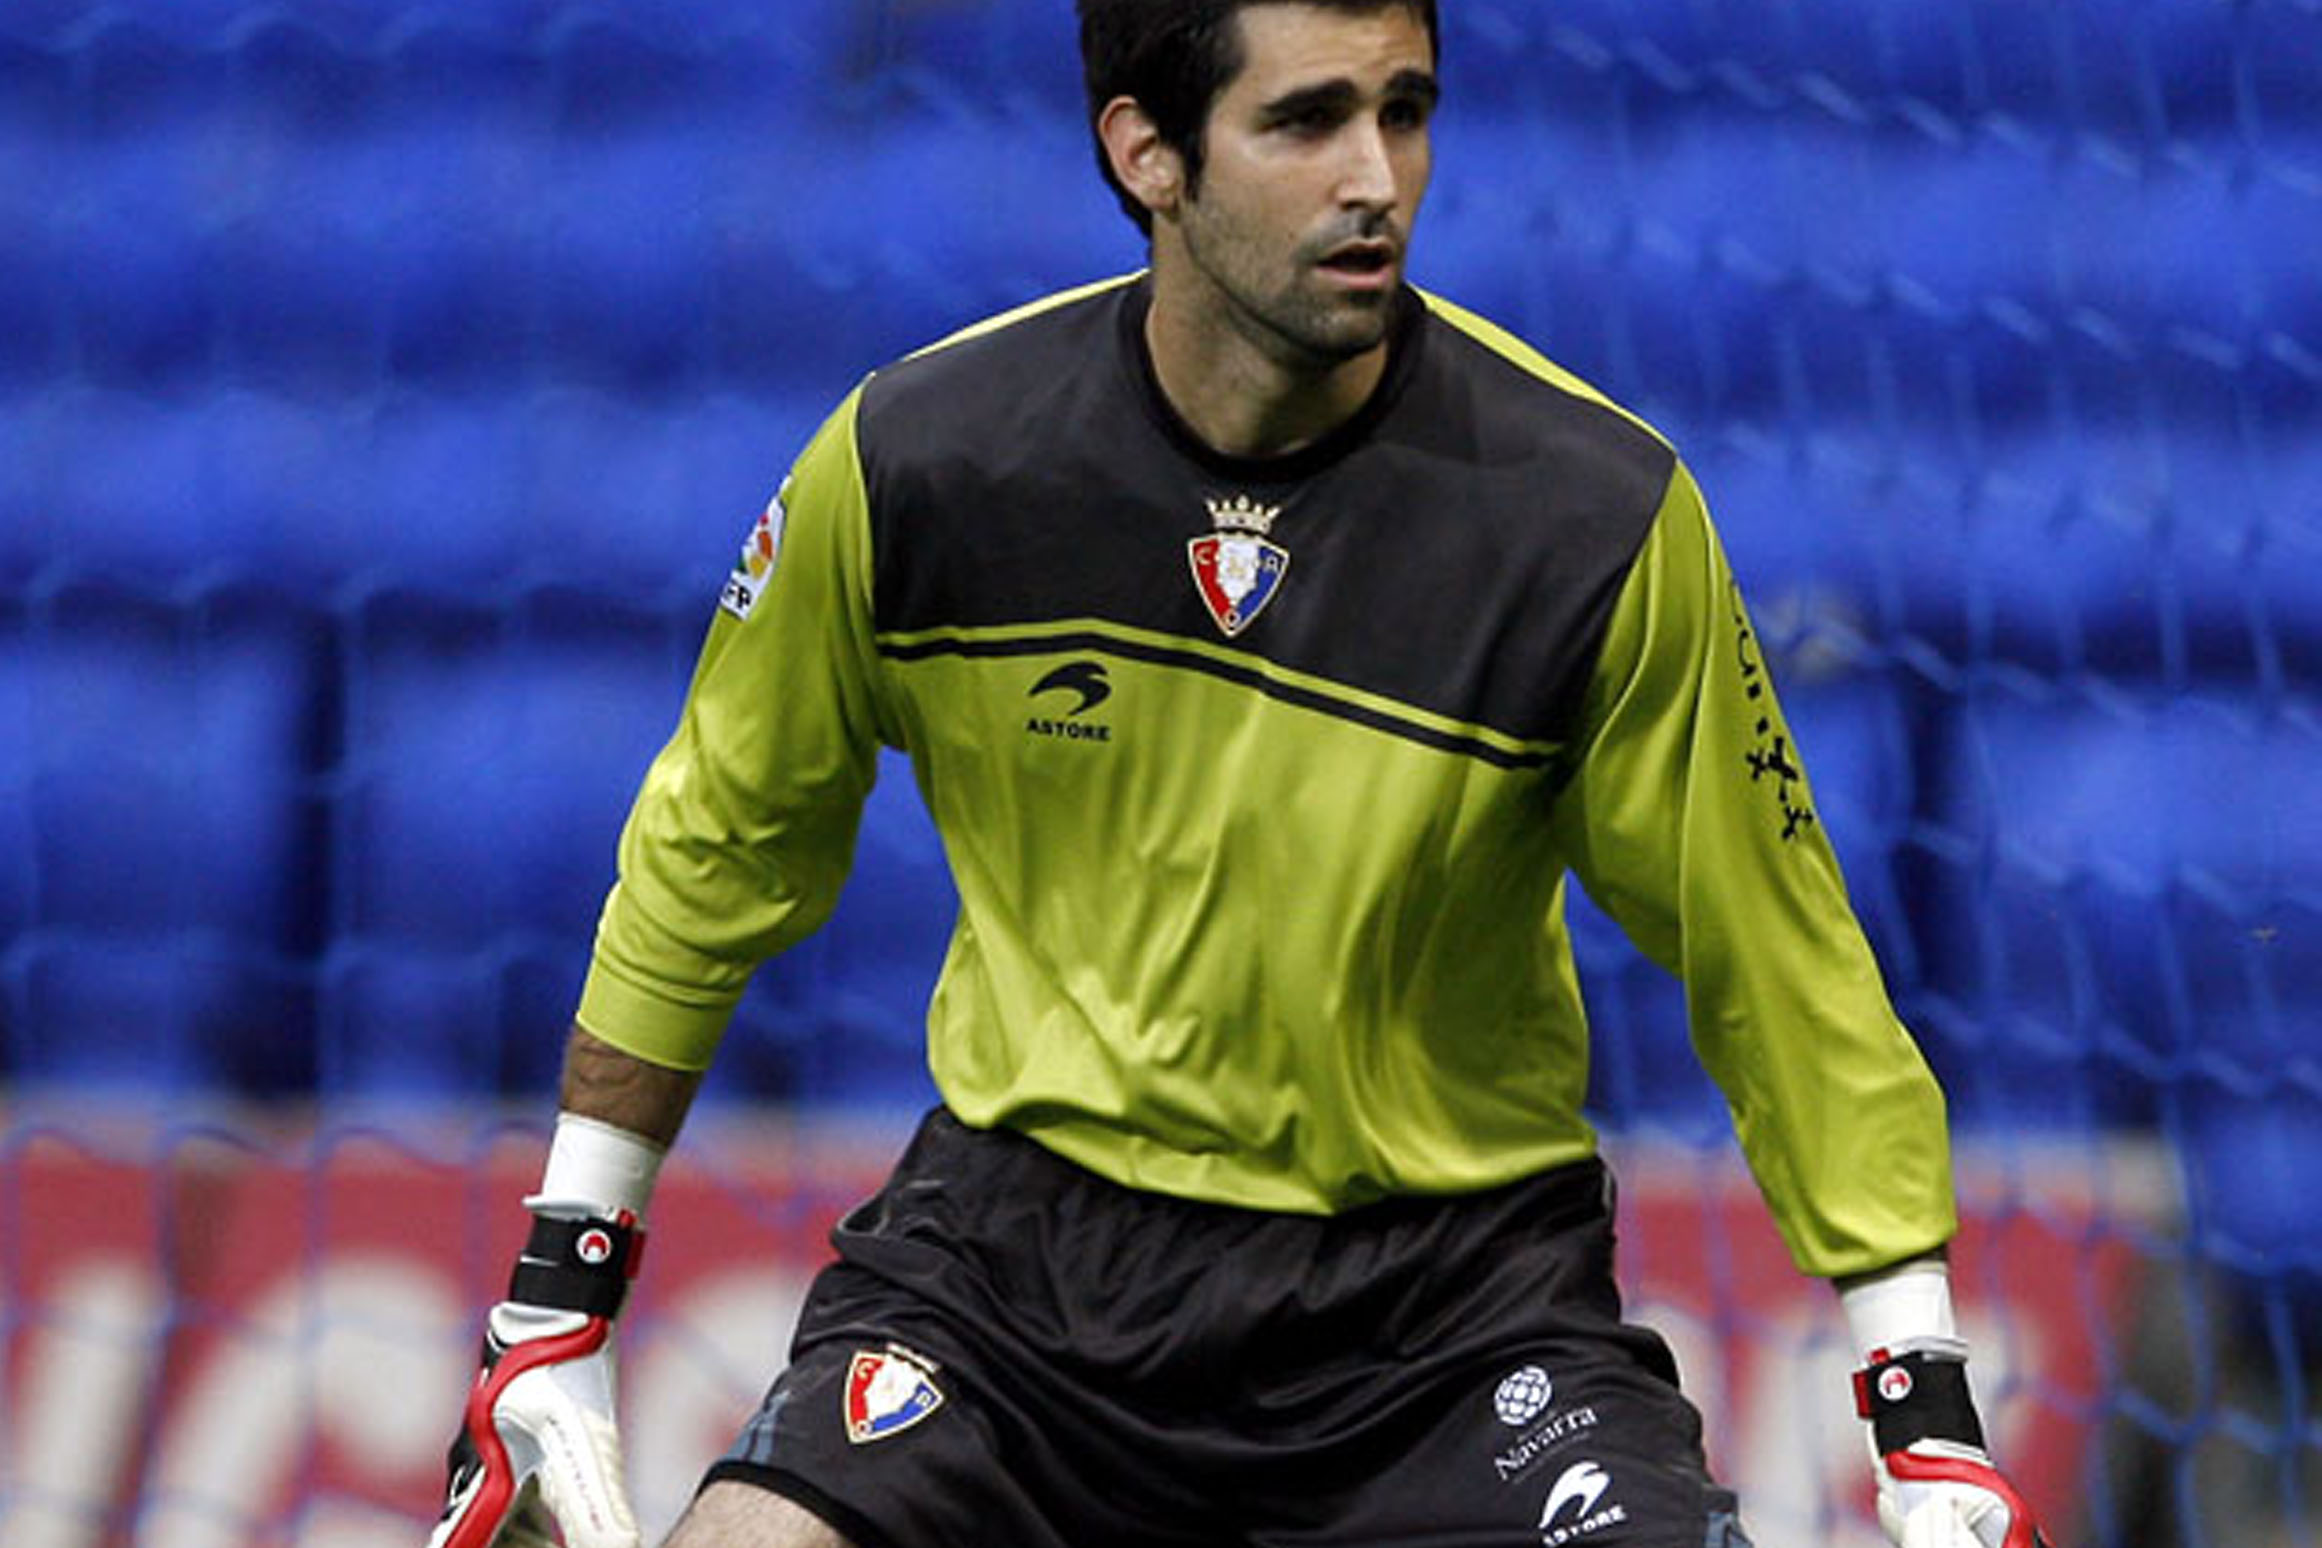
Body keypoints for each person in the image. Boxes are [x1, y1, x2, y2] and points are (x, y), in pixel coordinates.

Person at [427, 2, 2054, 1545]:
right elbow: (716, 845)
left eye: (1403, 111)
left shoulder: (1590, 521)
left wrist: (1920, 1410)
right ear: (1147, 150)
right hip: (1014, 1277)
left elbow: (1778, 964)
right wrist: (558, 1294)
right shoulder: (918, 465)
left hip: (1442, 1312)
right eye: (1305, 120)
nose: (1375, 180)